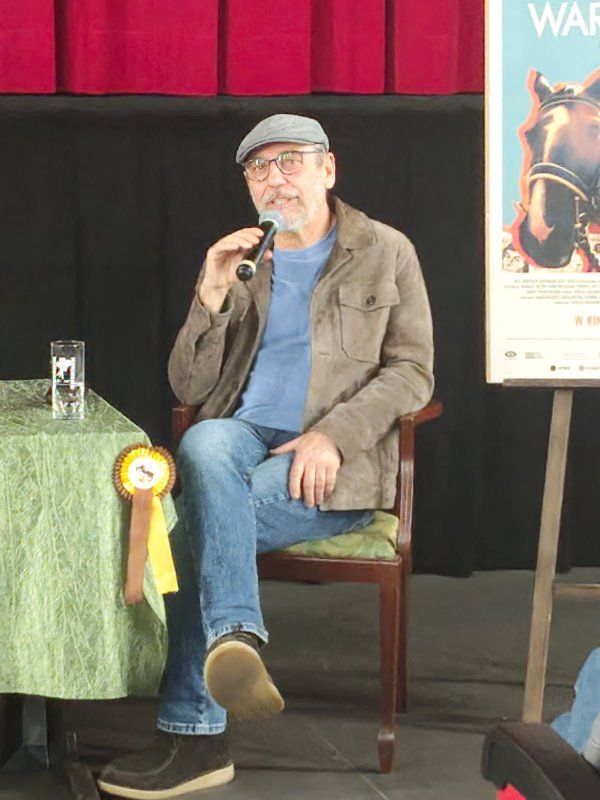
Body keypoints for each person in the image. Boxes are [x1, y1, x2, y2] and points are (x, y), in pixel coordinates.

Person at [98, 113, 434, 798]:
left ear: (327, 169)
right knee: (203, 437)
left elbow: (413, 372)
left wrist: (334, 434)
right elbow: (189, 387)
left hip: (331, 467)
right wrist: (211, 294)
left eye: (290, 162)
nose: (275, 179)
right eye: (259, 168)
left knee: (185, 537)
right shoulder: (247, 262)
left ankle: (195, 737)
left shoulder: (386, 250)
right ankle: (237, 638)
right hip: (241, 442)